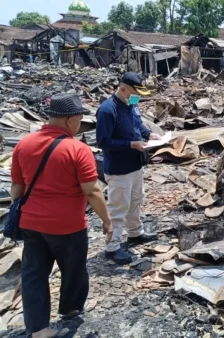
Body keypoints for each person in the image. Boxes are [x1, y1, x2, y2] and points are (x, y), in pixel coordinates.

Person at [11, 94, 112, 338]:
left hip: (31, 224)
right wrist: (108, 222)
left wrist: (21, 211)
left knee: (34, 273)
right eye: (79, 120)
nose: (79, 126)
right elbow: (93, 191)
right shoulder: (77, 149)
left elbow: (17, 187)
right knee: (74, 269)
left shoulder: (23, 144)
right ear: (70, 121)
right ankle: (70, 309)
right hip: (68, 226)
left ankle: (38, 329)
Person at [96, 72, 159, 265]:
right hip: (119, 168)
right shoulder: (107, 110)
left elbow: (137, 125)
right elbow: (103, 141)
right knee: (118, 207)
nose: (137, 96)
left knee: (135, 201)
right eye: (135, 92)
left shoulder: (131, 104)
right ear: (123, 88)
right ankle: (112, 248)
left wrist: (149, 135)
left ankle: (135, 233)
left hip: (135, 164)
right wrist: (131, 145)